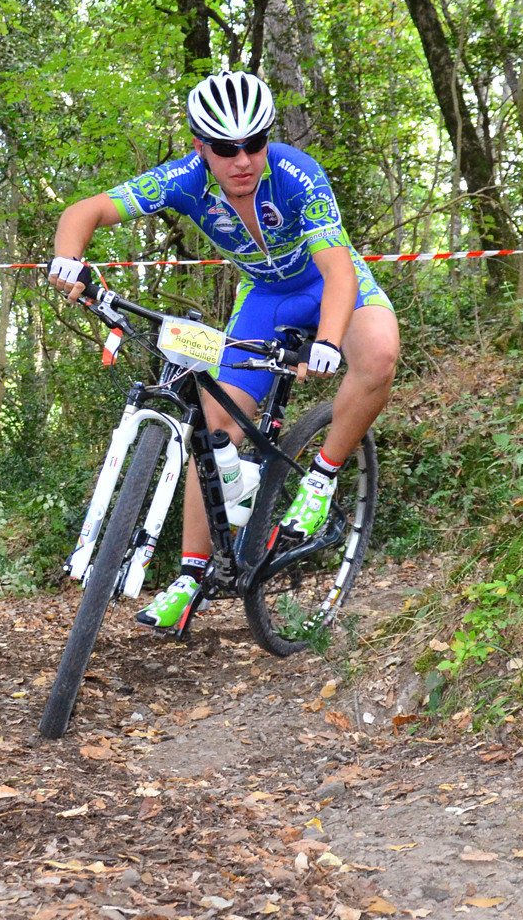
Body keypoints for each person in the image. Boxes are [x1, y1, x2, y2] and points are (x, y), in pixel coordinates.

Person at [50, 71, 400, 630]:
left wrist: (330, 341)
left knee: (378, 352)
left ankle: (321, 478)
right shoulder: (185, 180)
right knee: (214, 428)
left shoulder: (296, 173)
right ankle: (191, 576)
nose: (242, 160)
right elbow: (85, 211)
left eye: (254, 143)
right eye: (225, 148)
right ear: (200, 148)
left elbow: (338, 271)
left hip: (328, 284)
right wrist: (68, 260)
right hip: (265, 299)